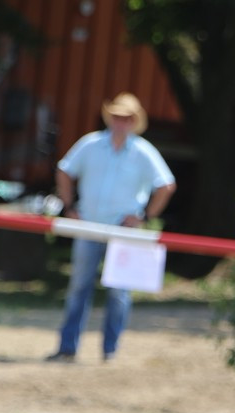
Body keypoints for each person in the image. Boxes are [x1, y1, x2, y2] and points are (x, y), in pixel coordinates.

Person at [47, 92, 176, 363]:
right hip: (90, 226)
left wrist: (144, 216)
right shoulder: (91, 144)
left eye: (126, 118)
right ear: (110, 118)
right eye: (117, 116)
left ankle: (110, 351)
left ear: (133, 121)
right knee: (79, 288)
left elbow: (166, 185)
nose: (120, 122)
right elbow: (64, 171)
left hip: (123, 230)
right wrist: (69, 205)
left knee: (118, 294)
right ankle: (68, 347)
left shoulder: (143, 151)